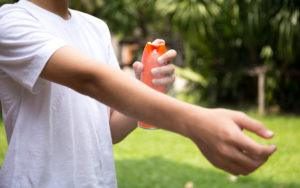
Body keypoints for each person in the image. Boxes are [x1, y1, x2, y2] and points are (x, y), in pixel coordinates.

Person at [0, 0, 276, 187]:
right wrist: (196, 123)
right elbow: (91, 80)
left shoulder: (95, 28)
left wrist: (149, 88)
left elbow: (106, 129)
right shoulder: (10, 21)